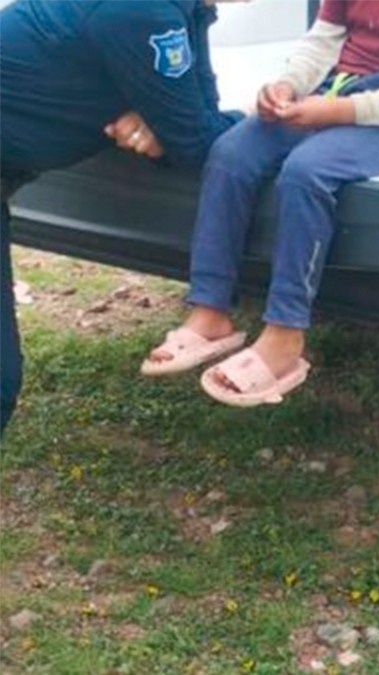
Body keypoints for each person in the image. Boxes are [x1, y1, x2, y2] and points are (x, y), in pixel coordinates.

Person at [141, 0, 379, 408]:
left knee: (306, 171)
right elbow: (321, 46)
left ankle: (285, 333)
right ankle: (210, 309)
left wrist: (336, 112)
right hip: (333, 92)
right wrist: (287, 87)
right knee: (231, 153)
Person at [0, 0, 246, 435]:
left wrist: (165, 121)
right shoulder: (142, 10)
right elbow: (198, 140)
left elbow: (198, 120)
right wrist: (262, 123)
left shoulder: (182, 7)